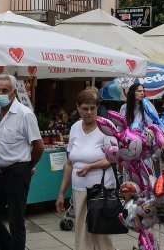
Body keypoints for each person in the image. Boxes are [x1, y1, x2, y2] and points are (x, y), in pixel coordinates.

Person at [0, 74, 43, 250]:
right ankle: (9, 246)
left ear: (13, 92)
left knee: (16, 221)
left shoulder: (25, 114)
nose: (0, 94)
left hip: (17, 173)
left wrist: (28, 167)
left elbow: (38, 146)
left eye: (5, 90)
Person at [56, 90, 116, 250]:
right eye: (85, 108)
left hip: (101, 190)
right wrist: (61, 192)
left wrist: (91, 166)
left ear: (97, 108)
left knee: (101, 236)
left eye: (92, 108)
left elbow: (112, 159)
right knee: (81, 236)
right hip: (79, 190)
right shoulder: (75, 127)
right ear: (77, 108)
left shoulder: (106, 128)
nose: (89, 112)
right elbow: (70, 163)